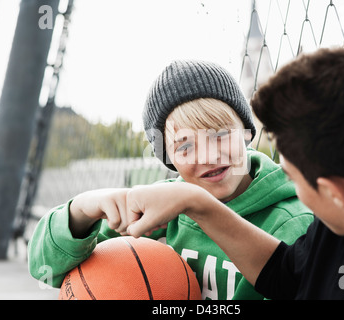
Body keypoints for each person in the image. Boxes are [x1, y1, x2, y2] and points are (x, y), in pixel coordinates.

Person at [123, 46, 344, 299]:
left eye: (290, 176)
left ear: (335, 193)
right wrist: (194, 202)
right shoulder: (342, 230)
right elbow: (284, 273)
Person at [28, 60, 313, 300]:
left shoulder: (290, 222)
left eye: (220, 135)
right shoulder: (157, 210)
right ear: (169, 159)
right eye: (185, 146)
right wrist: (82, 209)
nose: (209, 156)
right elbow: (45, 269)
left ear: (247, 133)